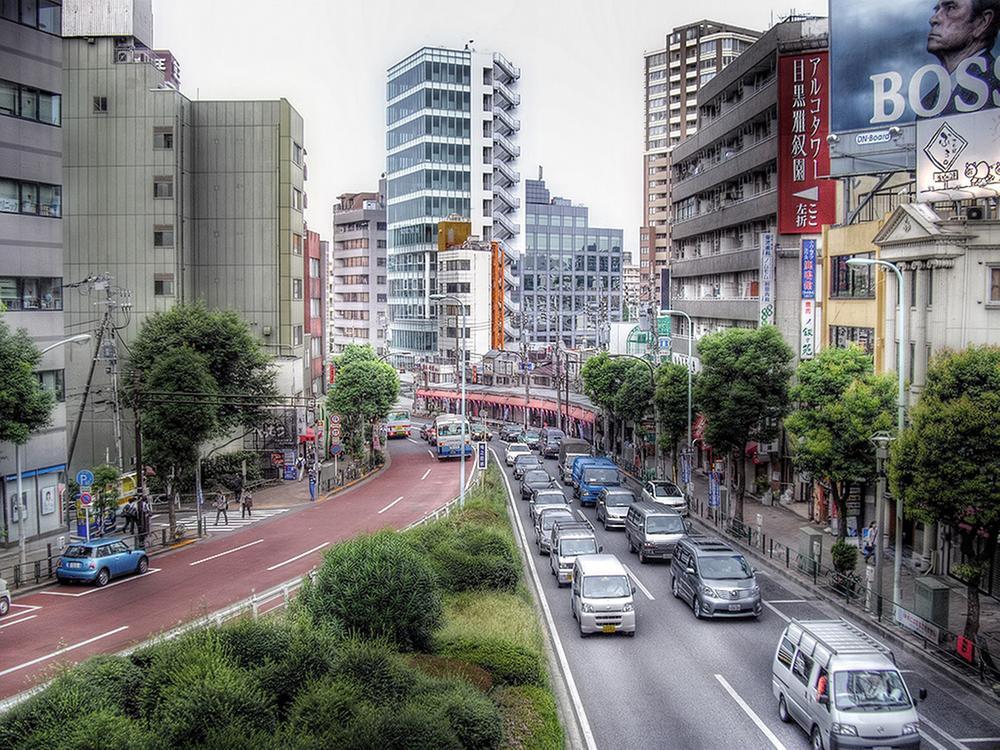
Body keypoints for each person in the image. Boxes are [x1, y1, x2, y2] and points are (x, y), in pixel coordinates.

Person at [923, 0, 1000, 114]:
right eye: (936, 10)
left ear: (982, 22)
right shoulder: (927, 102)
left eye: (951, 8)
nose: (933, 19)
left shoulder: (995, 85)